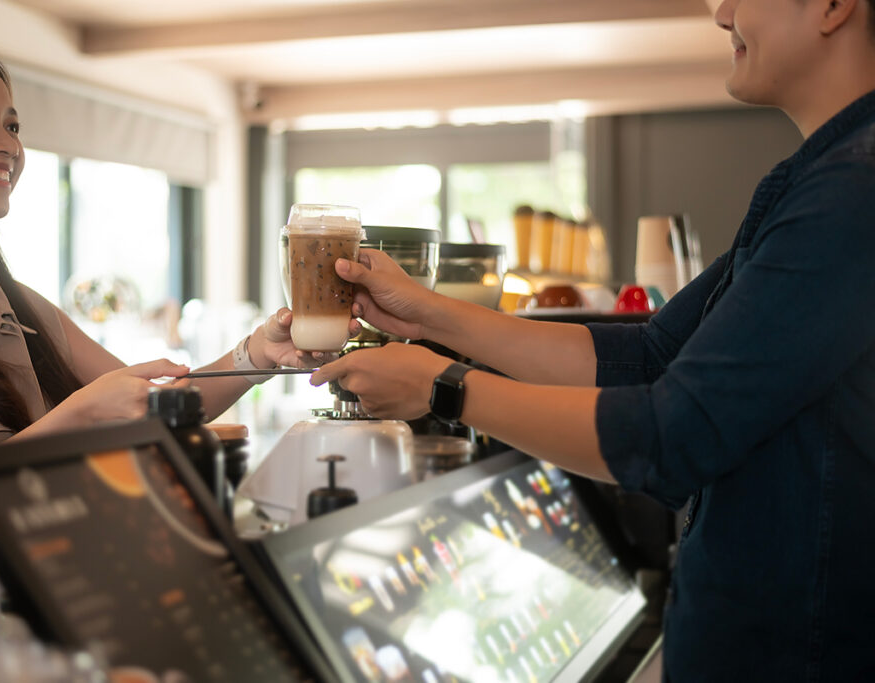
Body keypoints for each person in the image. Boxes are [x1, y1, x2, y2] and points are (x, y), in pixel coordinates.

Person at [312, 0, 875, 679]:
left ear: (834, 6)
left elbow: (670, 436)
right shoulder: (816, 182)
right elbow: (649, 356)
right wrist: (429, 315)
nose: (722, 12)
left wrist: (442, 388)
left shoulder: (851, 192)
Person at [0, 34, 332, 656]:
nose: (9, 144)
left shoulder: (11, 297)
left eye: (12, 124)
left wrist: (258, 355)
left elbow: (156, 404)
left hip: (25, 609)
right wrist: (79, 416)